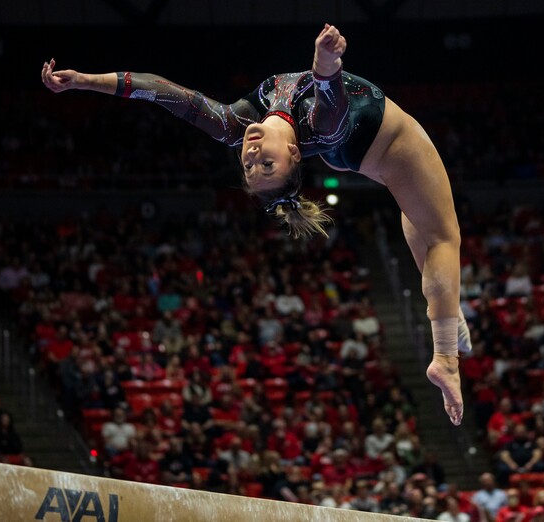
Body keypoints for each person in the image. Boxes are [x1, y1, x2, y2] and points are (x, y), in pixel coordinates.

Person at [41, 23, 471, 425]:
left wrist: (86, 82)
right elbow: (330, 94)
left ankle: (450, 312)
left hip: (362, 150)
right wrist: (326, 61)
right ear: (296, 155)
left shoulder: (235, 125)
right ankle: (446, 357)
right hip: (390, 145)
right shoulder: (317, 124)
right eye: (266, 163)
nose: (251, 155)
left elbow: (166, 94)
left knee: (417, 219)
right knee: (442, 237)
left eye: (252, 166)